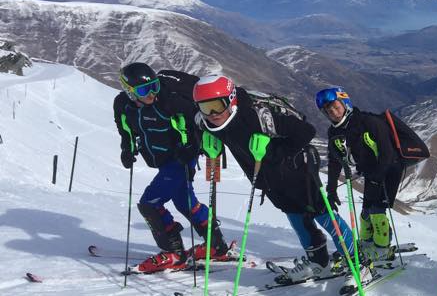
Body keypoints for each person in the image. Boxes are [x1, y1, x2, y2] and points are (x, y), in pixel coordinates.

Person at [191, 75, 360, 283]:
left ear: (231, 100)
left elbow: (306, 131)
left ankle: (356, 260)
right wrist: (204, 141)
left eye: (217, 106)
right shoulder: (207, 122)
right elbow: (201, 124)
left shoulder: (256, 117)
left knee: (323, 214)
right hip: (269, 181)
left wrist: (273, 152)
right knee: (295, 216)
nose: (213, 114)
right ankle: (319, 262)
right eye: (205, 107)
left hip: (299, 173)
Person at [113, 62, 228, 272]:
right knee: (185, 202)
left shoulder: (170, 101)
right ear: (129, 91)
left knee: (150, 203)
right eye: (144, 90)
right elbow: (125, 130)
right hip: (162, 160)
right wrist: (127, 149)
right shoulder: (122, 105)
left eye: (154, 86)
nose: (152, 94)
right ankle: (217, 246)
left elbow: (197, 124)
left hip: (180, 159)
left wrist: (191, 149)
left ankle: (173, 253)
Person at [317, 87, 408, 262]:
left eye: (336, 107)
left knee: (377, 212)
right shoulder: (334, 131)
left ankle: (382, 249)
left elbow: (387, 154)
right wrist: (331, 189)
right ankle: (366, 245)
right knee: (365, 213)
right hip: (371, 173)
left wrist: (377, 178)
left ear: (345, 104)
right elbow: (335, 160)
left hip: (390, 169)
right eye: (329, 111)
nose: (334, 112)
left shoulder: (369, 122)